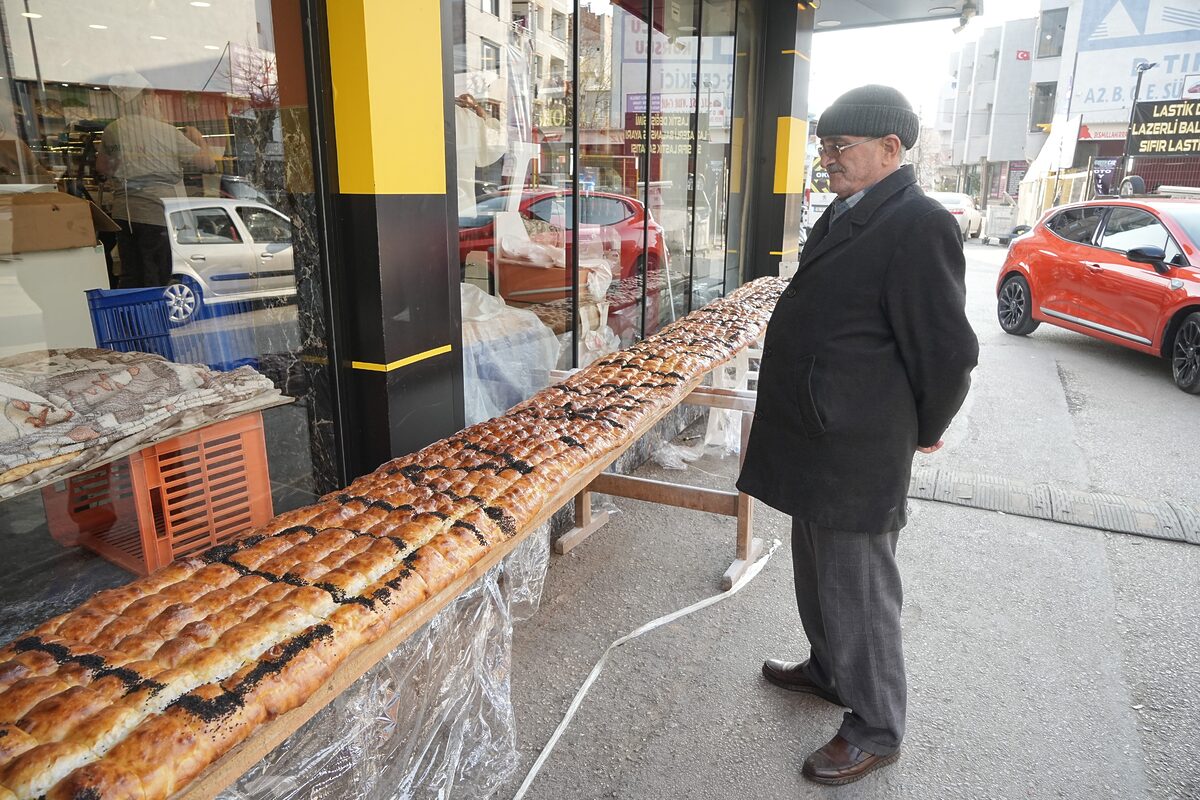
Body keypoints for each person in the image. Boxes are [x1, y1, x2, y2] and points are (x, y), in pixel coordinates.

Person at [736, 85, 979, 785]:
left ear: (890, 150)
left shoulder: (920, 222)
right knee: (817, 568)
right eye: (825, 147)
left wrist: (926, 428)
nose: (827, 160)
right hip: (819, 432)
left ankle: (876, 723)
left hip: (857, 443)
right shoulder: (851, 211)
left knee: (861, 587)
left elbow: (947, 350)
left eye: (838, 148)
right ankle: (830, 669)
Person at [99, 70, 215, 289]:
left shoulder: (112, 129)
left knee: (131, 274)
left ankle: (132, 320)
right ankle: (154, 320)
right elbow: (208, 164)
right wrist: (198, 138)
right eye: (156, 100)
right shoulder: (167, 131)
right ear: (146, 101)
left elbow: (103, 167)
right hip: (156, 215)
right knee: (158, 273)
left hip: (124, 214)